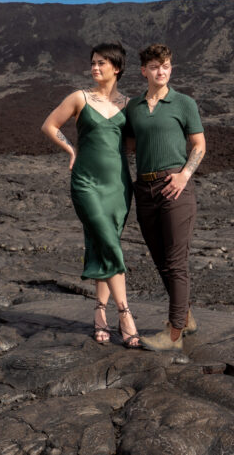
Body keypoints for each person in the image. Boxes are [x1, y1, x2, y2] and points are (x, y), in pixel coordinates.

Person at [40, 43, 140, 348]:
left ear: (117, 68)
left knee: (103, 243)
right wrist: (71, 148)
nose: (95, 68)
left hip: (119, 186)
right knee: (108, 241)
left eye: (101, 64)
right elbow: (49, 125)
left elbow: (132, 145)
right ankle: (125, 313)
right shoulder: (79, 98)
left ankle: (99, 313)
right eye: (93, 63)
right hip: (86, 183)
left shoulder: (129, 105)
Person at [125, 43, 206, 352]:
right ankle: (185, 317)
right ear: (144, 70)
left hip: (175, 187)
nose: (162, 71)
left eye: (167, 66)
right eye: (156, 66)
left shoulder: (183, 103)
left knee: (175, 261)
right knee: (160, 261)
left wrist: (185, 175)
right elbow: (127, 147)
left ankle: (174, 335)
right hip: (144, 190)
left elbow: (199, 145)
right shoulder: (133, 107)